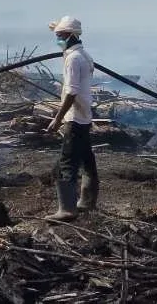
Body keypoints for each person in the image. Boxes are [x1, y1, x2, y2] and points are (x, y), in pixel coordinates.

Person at [44, 16, 98, 222]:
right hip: (84, 116)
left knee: (67, 162)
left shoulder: (74, 59)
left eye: (60, 36)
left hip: (75, 117)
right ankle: (87, 201)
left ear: (71, 36)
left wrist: (58, 119)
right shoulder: (83, 55)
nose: (58, 40)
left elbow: (71, 92)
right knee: (86, 160)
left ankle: (67, 209)